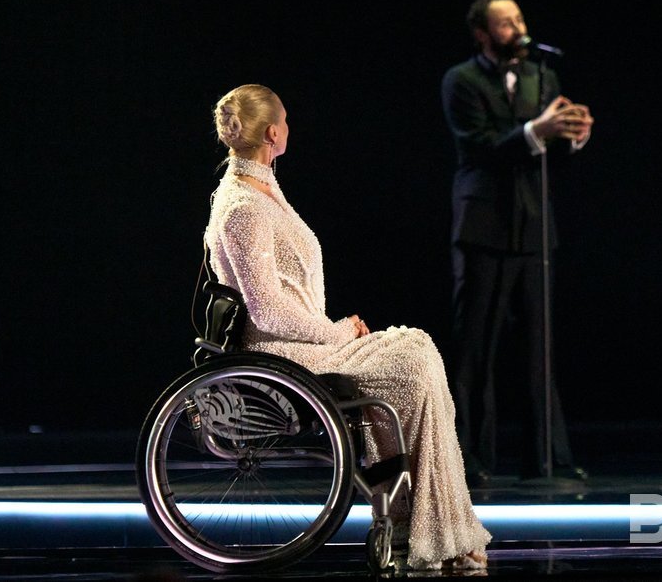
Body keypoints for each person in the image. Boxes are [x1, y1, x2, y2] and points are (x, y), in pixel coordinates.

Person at [204, 84, 491, 570]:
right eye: (286, 120)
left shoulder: (260, 189)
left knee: (417, 352)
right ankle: (422, 522)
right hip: (285, 353)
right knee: (411, 363)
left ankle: (425, 519)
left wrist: (335, 333)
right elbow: (268, 313)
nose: (289, 128)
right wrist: (338, 332)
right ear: (272, 133)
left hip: (307, 342)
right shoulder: (243, 207)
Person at [441, 0, 594, 485]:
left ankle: (547, 458)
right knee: (476, 348)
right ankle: (469, 459)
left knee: (538, 348)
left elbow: (548, 150)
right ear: (483, 34)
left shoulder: (541, 77)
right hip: (483, 227)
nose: (518, 29)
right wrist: (534, 130)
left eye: (519, 19)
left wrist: (573, 136)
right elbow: (481, 148)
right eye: (505, 23)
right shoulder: (461, 80)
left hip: (532, 227)